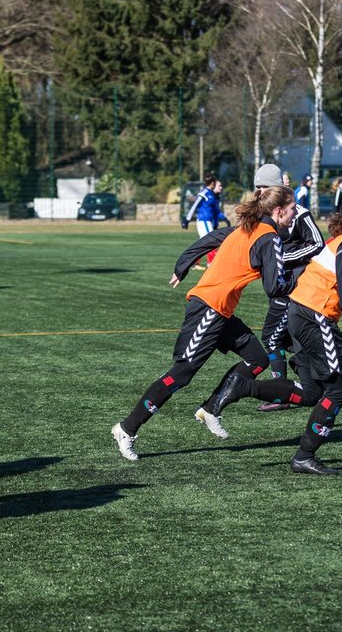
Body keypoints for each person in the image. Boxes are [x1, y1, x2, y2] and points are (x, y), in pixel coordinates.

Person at [201, 186, 342, 474]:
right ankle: (304, 455)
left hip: (300, 311)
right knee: (339, 389)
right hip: (314, 315)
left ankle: (246, 386)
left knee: (312, 392)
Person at [110, 186, 299, 461]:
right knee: (182, 372)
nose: (295, 214)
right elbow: (274, 287)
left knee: (257, 359)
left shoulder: (247, 227)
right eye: (293, 208)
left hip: (218, 311)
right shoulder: (268, 237)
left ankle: (211, 408)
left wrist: (183, 265)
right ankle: (126, 429)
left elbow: (211, 238)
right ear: (279, 211)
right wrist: (299, 279)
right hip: (209, 309)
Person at [250, 163, 324, 411]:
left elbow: (317, 244)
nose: (259, 191)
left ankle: (283, 392)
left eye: (264, 186)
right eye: (257, 187)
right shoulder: (261, 215)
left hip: (293, 287)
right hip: (277, 285)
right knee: (287, 339)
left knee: (273, 338)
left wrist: (283, 259)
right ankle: (303, 386)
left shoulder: (299, 213)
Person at [183, 175, 225, 269]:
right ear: (213, 183)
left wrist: (224, 219)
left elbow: (215, 212)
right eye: (219, 185)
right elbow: (195, 205)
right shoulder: (205, 193)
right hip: (204, 221)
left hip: (208, 222)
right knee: (211, 241)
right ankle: (211, 264)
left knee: (203, 242)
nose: (220, 187)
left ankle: (195, 263)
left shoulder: (214, 196)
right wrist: (187, 219)